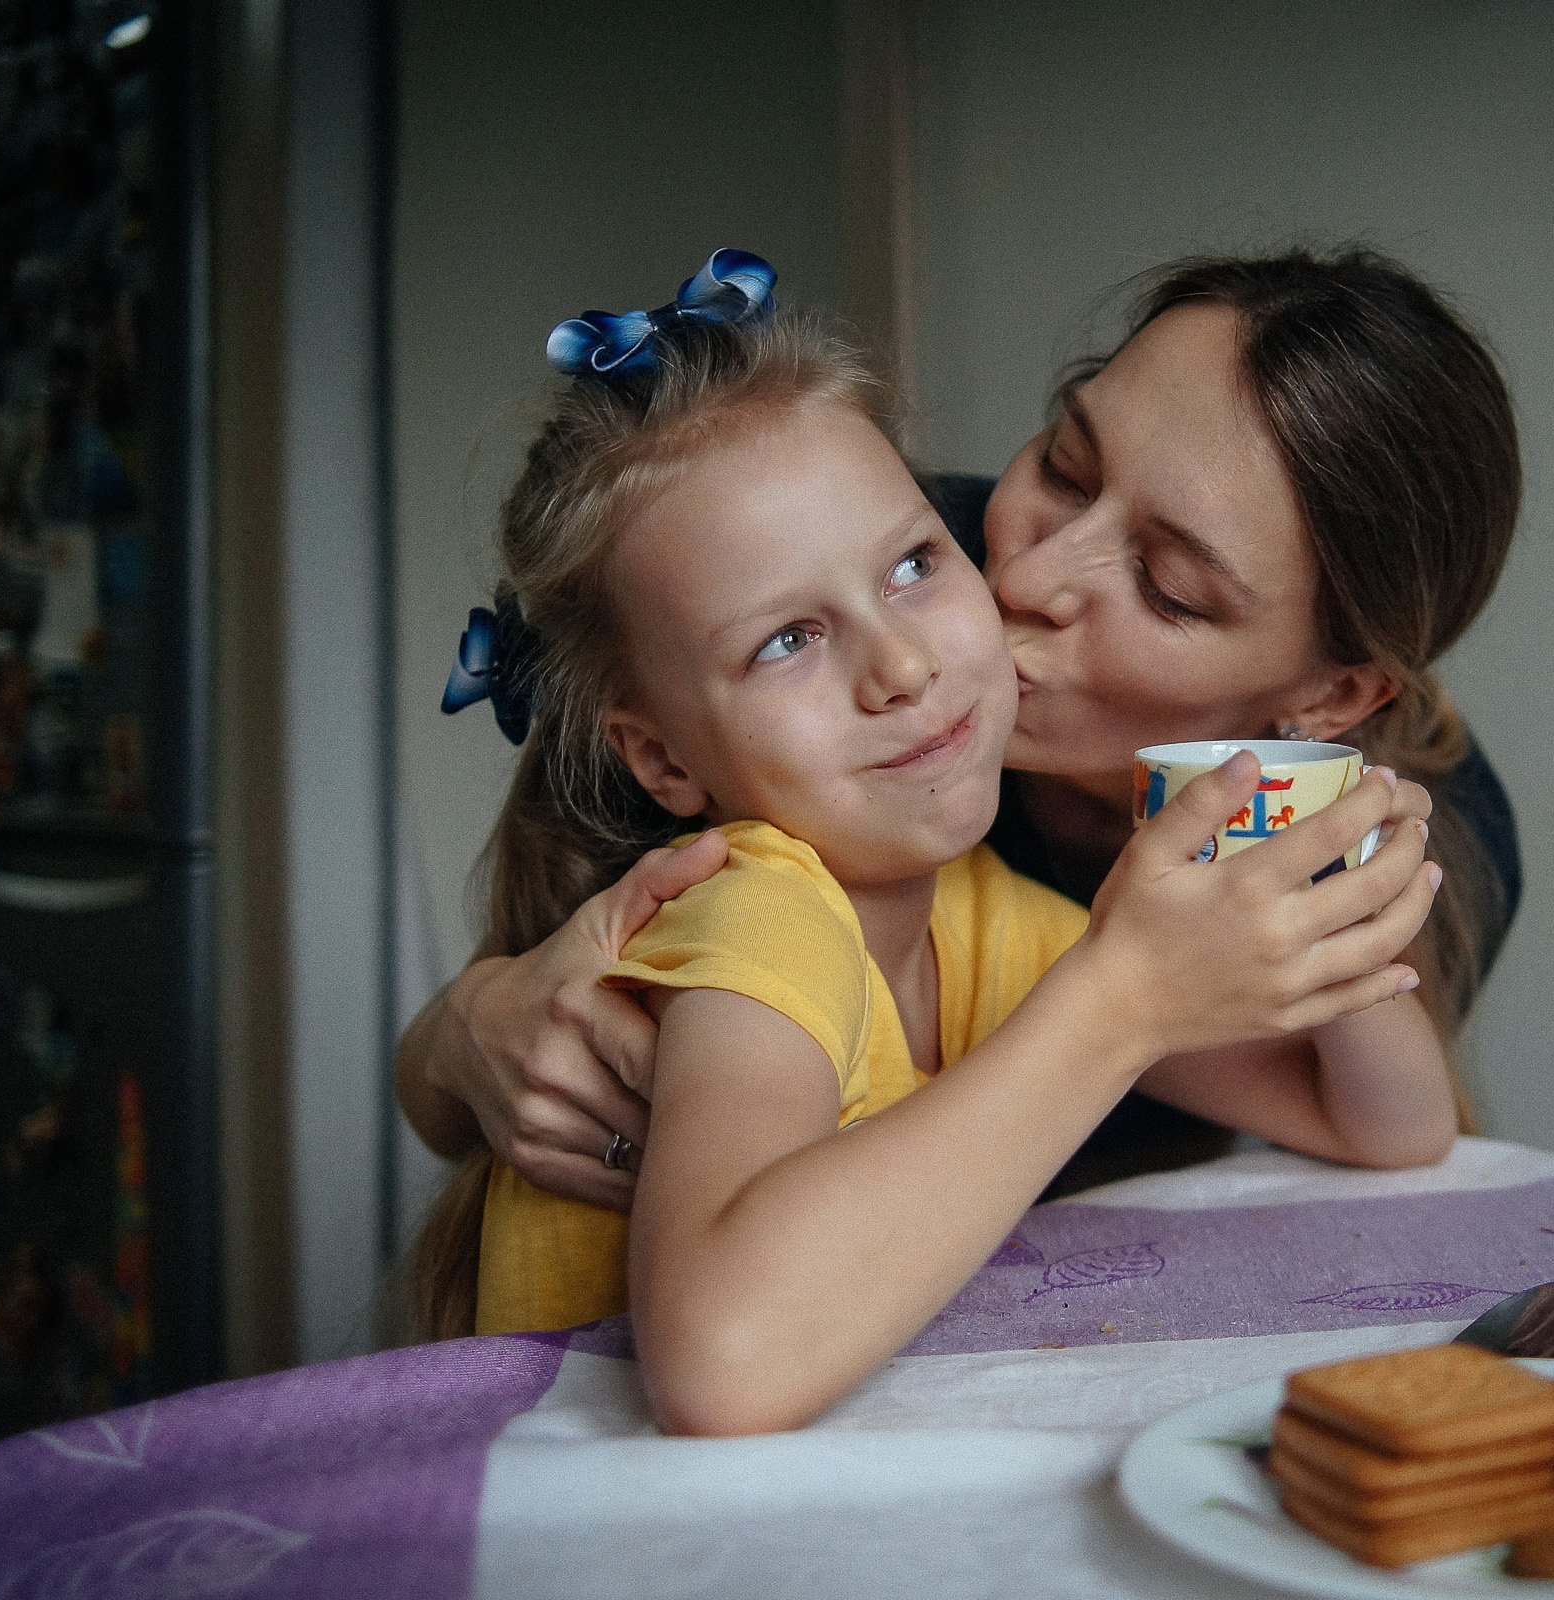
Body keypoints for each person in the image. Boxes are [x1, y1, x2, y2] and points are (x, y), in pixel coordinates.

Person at [407, 251, 1453, 1435]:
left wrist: (1317, 852)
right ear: (659, 760)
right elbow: (721, 1365)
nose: (904, 666)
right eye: (786, 642)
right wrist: (1119, 1004)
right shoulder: (761, 913)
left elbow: (1393, 1126)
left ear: (1330, 691)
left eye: (913, 567)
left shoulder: (979, 920)